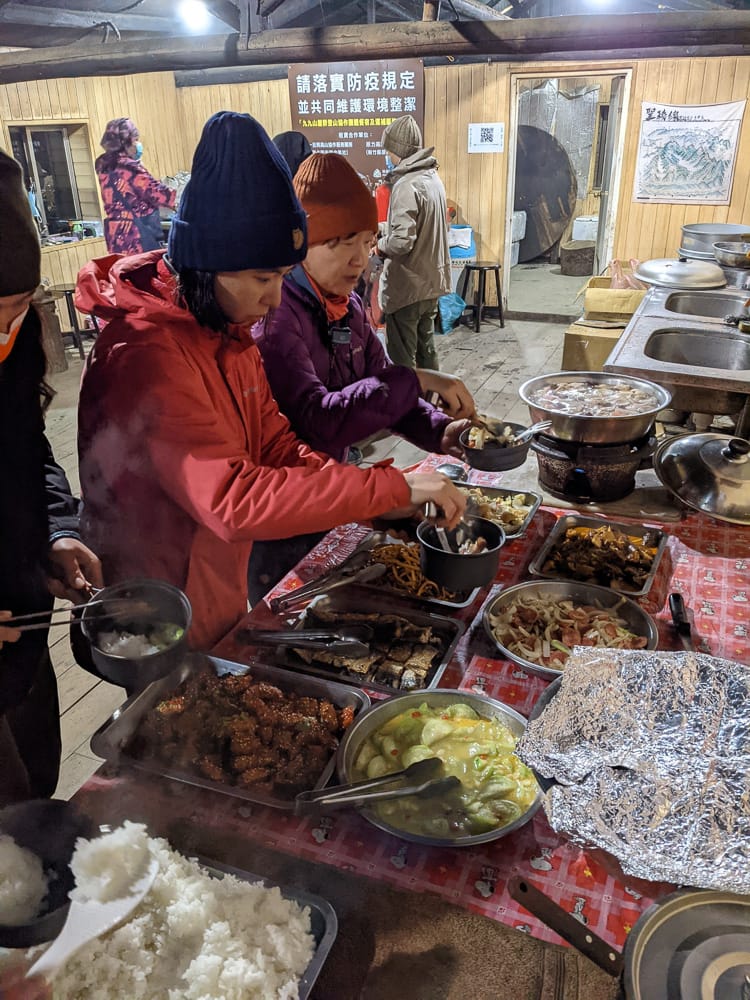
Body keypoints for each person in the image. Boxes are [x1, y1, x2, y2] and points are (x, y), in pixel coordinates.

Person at [76, 112, 466, 649]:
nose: (276, 298)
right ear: (207, 265)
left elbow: (278, 446)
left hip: (214, 576)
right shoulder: (148, 353)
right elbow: (233, 497)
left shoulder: (225, 330)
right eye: (263, 277)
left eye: (283, 276)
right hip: (156, 605)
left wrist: (375, 501)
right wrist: (389, 487)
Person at [249, 152, 476, 601]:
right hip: (285, 507)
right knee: (288, 608)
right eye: (342, 242)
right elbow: (320, 420)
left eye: (368, 241)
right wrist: (419, 378)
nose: (360, 259)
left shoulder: (347, 305)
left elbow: (382, 385)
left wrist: (440, 431)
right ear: (303, 245)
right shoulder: (276, 318)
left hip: (337, 490)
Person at [0, 150, 103, 807]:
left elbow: (29, 455)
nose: (3, 330)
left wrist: (58, 531)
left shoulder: (12, 351)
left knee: (37, 791)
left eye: (15, 308)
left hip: (23, 635)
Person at [377, 115, 451, 370]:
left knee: (402, 360)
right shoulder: (432, 178)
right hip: (431, 283)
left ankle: (409, 396)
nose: (387, 155)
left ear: (397, 150)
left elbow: (401, 243)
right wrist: (382, 228)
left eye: (388, 149)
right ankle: (433, 393)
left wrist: (379, 245)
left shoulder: (406, 185)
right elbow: (423, 226)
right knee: (426, 352)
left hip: (408, 288)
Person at [95, 117, 176, 256]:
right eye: (135, 140)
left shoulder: (102, 164)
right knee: (142, 268)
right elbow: (158, 195)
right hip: (136, 236)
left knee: (123, 268)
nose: (137, 144)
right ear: (125, 142)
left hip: (116, 235)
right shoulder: (129, 166)